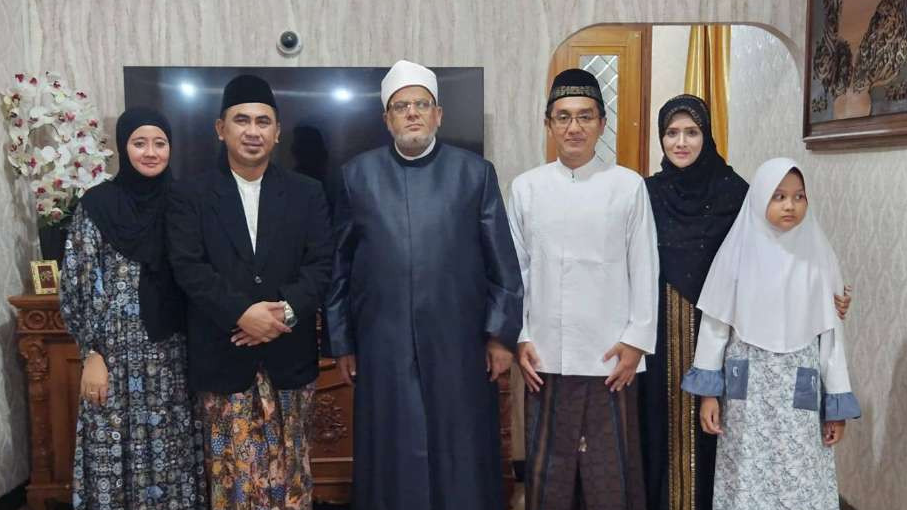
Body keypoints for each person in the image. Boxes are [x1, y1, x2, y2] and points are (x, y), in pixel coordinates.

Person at [325, 59, 523, 510]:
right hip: (382, 342)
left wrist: (499, 337)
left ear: (438, 114)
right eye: (401, 106)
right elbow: (339, 266)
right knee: (391, 452)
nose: (412, 113)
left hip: (460, 343)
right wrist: (342, 342)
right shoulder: (357, 176)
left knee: (462, 450)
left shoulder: (475, 173)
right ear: (386, 118)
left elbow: (503, 265)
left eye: (421, 104)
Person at [637, 95, 851, 510]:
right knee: (673, 430)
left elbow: (825, 322)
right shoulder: (647, 194)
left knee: (764, 456)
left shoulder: (738, 194)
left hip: (760, 354)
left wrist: (833, 299)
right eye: (671, 132)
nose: (681, 142)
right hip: (672, 332)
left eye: (692, 131)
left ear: (709, 135)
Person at [166, 75, 333, 510]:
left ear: (278, 132)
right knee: (233, 478)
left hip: (290, 357)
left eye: (263, 121)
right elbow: (188, 266)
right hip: (224, 356)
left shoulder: (307, 192)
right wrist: (242, 313)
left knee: (291, 473)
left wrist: (283, 316)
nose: (253, 131)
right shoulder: (190, 194)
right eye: (242, 120)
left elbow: (321, 264)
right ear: (220, 128)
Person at [511, 68, 658, 510]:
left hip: (610, 356)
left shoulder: (628, 186)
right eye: (563, 117)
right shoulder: (526, 187)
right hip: (544, 354)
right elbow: (515, 271)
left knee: (609, 470)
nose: (574, 127)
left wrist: (636, 342)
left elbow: (645, 268)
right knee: (547, 470)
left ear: (601, 123)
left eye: (585, 116)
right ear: (548, 123)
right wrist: (520, 338)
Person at [681, 158, 861, 510]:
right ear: (759, 199)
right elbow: (715, 329)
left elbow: (832, 340)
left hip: (801, 391)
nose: (790, 205)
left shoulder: (820, 259)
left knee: (801, 470)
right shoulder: (736, 256)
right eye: (778, 196)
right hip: (747, 394)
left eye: (798, 196)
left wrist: (836, 405)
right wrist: (709, 395)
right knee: (747, 472)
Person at [60, 107, 206, 509]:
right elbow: (77, 284)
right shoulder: (97, 204)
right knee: (112, 451)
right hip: (114, 356)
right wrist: (91, 352)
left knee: (172, 451)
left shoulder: (184, 202)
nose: (151, 152)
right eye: (139, 143)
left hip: (173, 356)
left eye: (160, 143)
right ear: (123, 148)